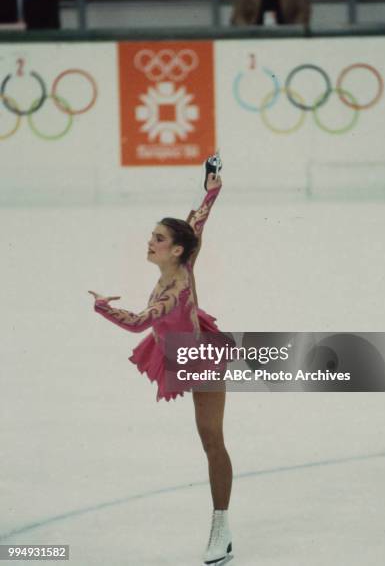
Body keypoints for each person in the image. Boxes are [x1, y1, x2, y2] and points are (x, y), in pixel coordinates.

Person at [88, 164, 233, 565]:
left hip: (199, 358)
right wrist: (211, 188)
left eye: (158, 238)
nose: (149, 242)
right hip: (172, 349)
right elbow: (197, 222)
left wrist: (102, 309)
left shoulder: (176, 287)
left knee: (211, 441)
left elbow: (138, 323)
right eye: (152, 236)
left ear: (175, 250)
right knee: (208, 440)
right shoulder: (182, 260)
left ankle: (221, 526)